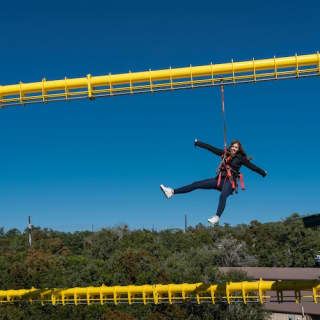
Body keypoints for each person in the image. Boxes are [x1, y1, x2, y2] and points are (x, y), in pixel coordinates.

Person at [160, 139, 267, 226]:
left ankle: (217, 217)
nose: (234, 148)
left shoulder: (241, 158)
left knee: (223, 195)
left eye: (236, 147)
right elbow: (211, 148)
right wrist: (198, 143)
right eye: (233, 146)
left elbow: (252, 167)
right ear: (230, 147)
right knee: (197, 184)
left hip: (229, 182)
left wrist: (263, 173)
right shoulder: (225, 154)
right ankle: (172, 192)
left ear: (238, 150)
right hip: (219, 180)